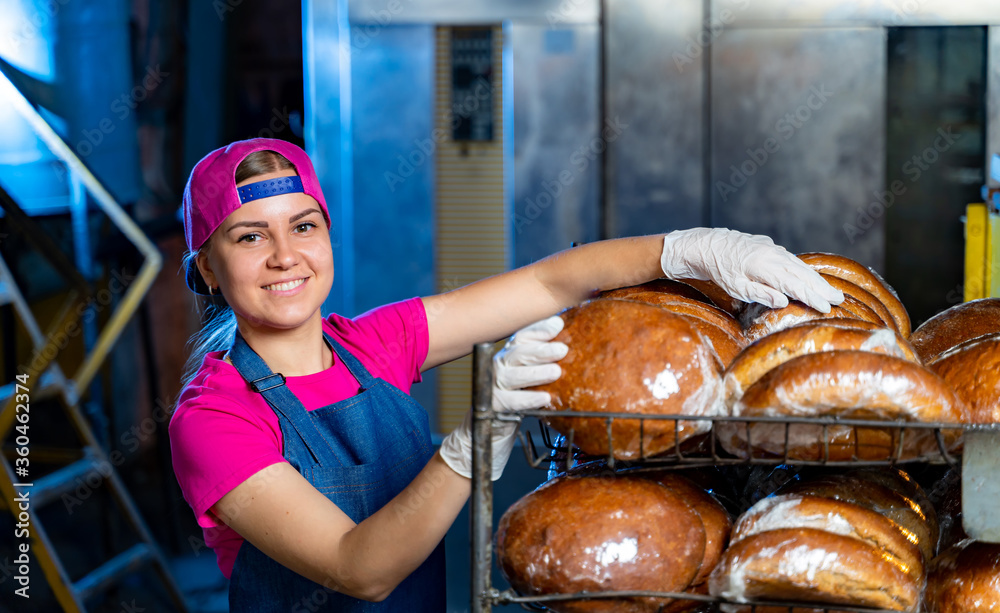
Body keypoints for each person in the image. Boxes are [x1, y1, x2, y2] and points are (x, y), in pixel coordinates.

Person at [168, 137, 843, 612]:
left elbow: (554, 279)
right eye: (250, 235)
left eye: (303, 225)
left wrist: (688, 249)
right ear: (208, 266)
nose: (287, 255)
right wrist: (468, 446)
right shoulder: (214, 417)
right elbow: (359, 569)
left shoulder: (371, 343)